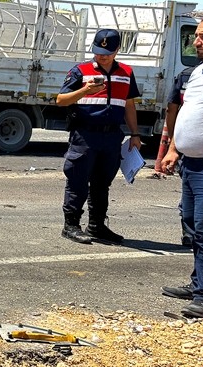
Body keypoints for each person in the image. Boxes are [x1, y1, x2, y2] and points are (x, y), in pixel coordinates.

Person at [55, 27, 142, 244]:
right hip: (85, 135)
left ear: (118, 50)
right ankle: (71, 225)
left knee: (103, 183)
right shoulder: (80, 71)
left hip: (112, 137)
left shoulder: (126, 72)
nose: (101, 56)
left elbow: (129, 105)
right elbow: (60, 100)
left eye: (107, 53)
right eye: (97, 52)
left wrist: (135, 134)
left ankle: (96, 226)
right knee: (78, 179)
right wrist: (85, 90)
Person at [161, 12, 203, 319]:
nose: (196, 42)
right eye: (195, 36)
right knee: (193, 228)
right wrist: (173, 148)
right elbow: (185, 113)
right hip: (191, 164)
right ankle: (200, 284)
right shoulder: (199, 72)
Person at [154, 66, 194, 247]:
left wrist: (173, 145)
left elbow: (171, 110)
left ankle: (190, 234)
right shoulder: (187, 76)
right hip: (194, 146)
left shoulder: (187, 74)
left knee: (190, 192)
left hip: (188, 144)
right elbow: (171, 109)